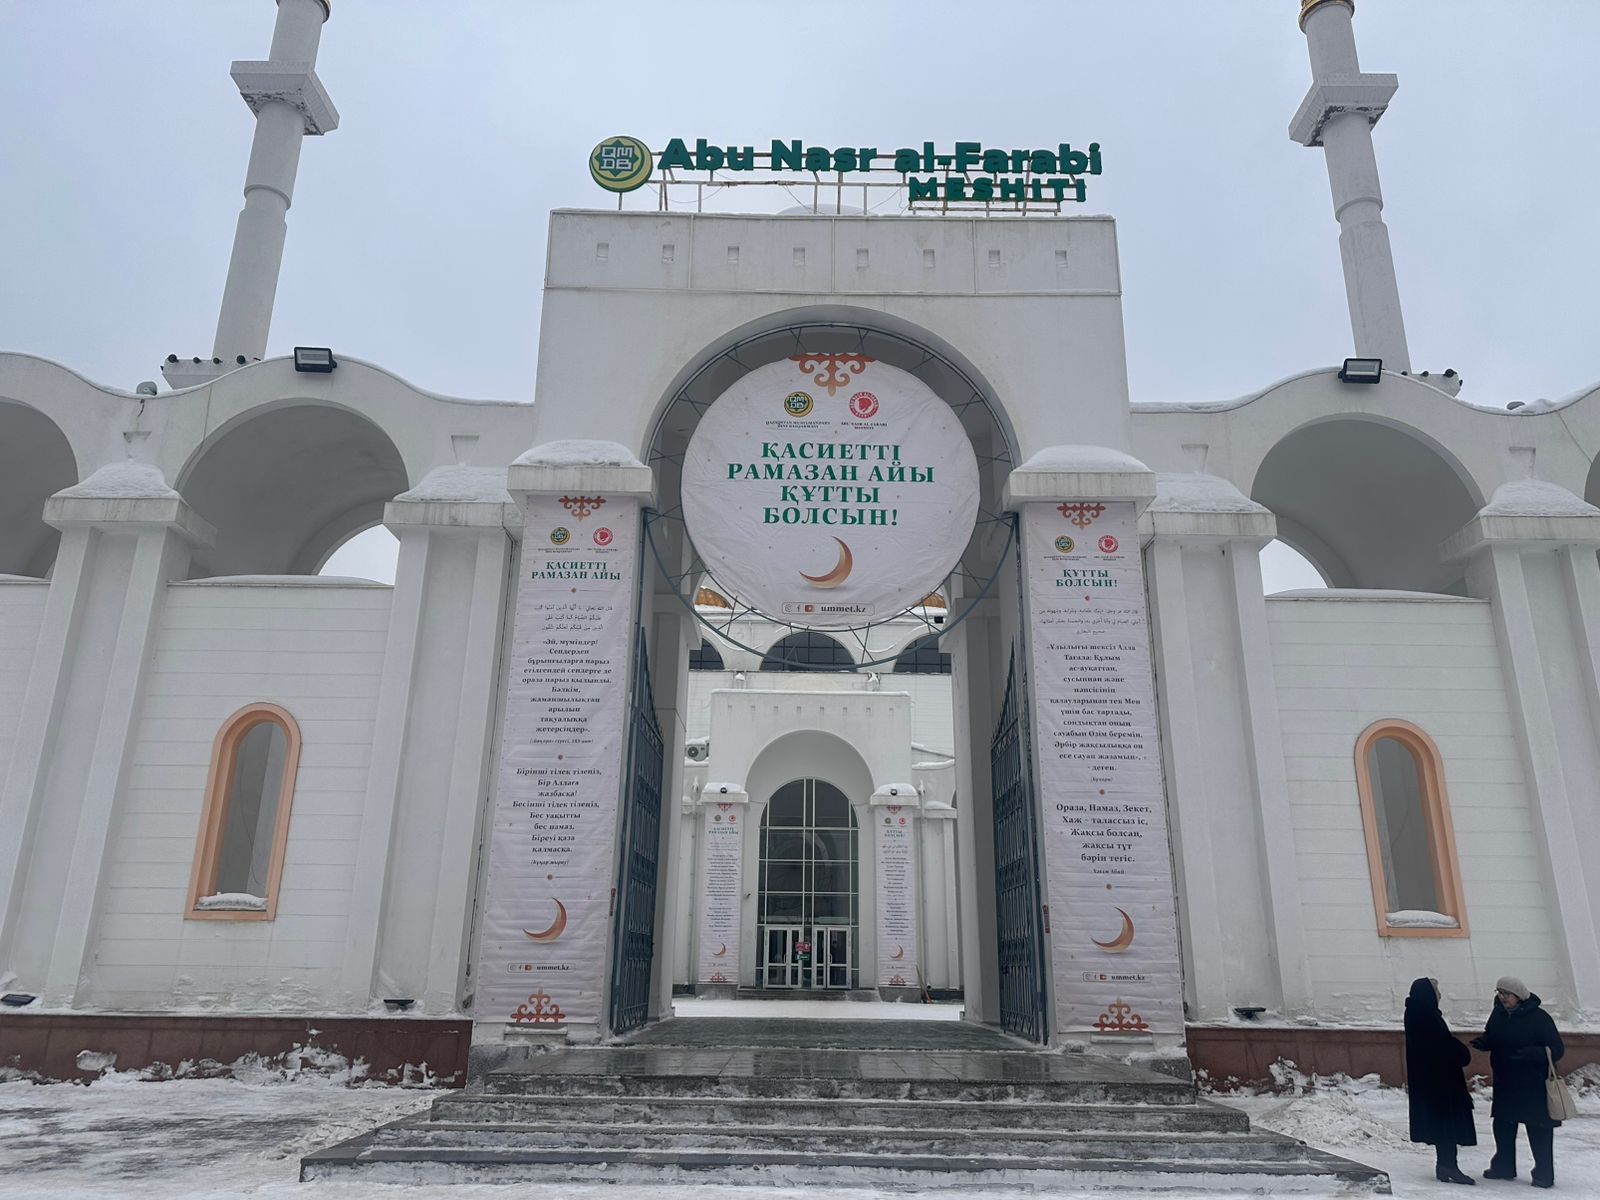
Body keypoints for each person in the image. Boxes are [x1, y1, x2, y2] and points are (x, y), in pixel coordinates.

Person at [1472, 975, 1563, 1188]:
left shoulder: (1539, 1017)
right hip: (1506, 1080)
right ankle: (1503, 1166)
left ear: (1519, 995)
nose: (1503, 997)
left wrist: (1534, 1053)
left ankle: (1543, 1173)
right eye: (1500, 993)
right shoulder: (1498, 1014)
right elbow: (1492, 1034)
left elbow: (1557, 1048)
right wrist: (1484, 1042)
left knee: (1538, 1128)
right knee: (1503, 1124)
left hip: (1533, 1083)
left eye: (1507, 994)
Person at [1404, 977, 1477, 1185]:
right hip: (1440, 1081)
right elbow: (1441, 1045)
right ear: (1428, 994)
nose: (1440, 995)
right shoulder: (1426, 1016)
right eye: (1436, 991)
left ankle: (1444, 1166)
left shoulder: (1417, 1012)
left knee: (1441, 1124)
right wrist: (1461, 1050)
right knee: (1446, 1123)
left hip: (1431, 1079)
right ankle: (1449, 1166)